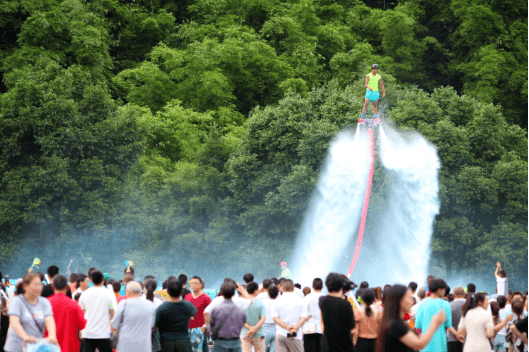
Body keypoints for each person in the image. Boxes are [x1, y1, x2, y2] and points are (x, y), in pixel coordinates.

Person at [375, 284, 447, 352]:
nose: (412, 301)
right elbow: (419, 344)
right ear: (400, 300)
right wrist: (434, 324)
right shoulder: (396, 325)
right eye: (409, 298)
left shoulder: (393, 322)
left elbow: (417, 339)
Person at [4, 273, 58, 352]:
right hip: (17, 347)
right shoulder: (17, 301)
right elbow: (14, 321)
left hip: (34, 347)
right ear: (25, 286)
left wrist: (52, 335)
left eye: (40, 285)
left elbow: (49, 319)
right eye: (36, 285)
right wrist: (26, 337)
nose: (39, 288)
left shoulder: (44, 302)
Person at [415, 279, 463, 352]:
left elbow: (418, 327)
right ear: (439, 289)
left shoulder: (421, 305)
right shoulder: (445, 304)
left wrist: (418, 342)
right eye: (444, 289)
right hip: (440, 346)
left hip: (425, 346)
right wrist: (457, 334)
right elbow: (448, 325)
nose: (444, 291)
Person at [112, 281, 156, 352]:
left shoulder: (123, 304)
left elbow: (115, 325)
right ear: (140, 292)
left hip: (125, 346)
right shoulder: (150, 305)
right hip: (144, 346)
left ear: (128, 292)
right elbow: (153, 325)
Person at [155, 280, 197, 352]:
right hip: (183, 341)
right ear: (181, 292)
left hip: (166, 342)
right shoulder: (188, 306)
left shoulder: (161, 308)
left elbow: (156, 325)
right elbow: (194, 313)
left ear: (167, 291)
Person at [47, 274, 86, 352]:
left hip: (49, 347)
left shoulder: (45, 304)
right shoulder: (74, 305)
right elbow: (83, 325)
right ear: (67, 287)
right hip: (70, 347)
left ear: (52, 287)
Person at [79, 269, 116, 352]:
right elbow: (112, 310)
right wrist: (111, 323)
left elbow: (82, 313)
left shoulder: (84, 294)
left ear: (91, 280)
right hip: (103, 333)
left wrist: (81, 330)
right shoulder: (108, 294)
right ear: (103, 280)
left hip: (88, 332)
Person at [319, 273, 354, 352]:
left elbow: (321, 320)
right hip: (343, 344)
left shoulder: (323, 301)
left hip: (326, 343)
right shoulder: (346, 304)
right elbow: (351, 326)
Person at [209, 281, 246, 352]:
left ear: (221, 293)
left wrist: (214, 337)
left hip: (219, 341)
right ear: (233, 293)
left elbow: (212, 326)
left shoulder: (216, 309)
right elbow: (242, 323)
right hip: (235, 341)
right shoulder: (240, 310)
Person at [272, 279, 307, 352]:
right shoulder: (301, 301)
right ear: (293, 288)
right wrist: (295, 328)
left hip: (281, 334)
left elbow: (275, 318)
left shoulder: (277, 301)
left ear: (282, 288)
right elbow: (303, 317)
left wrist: (287, 327)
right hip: (296, 335)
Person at [185, 276, 211, 352]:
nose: (194, 285)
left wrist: (206, 326)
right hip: (188, 328)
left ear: (201, 285)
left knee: (203, 348)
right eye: (192, 283)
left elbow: (210, 313)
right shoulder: (187, 297)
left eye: (196, 283)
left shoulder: (206, 298)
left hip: (201, 329)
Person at [241, 282, 266, 352]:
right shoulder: (260, 303)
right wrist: (254, 328)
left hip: (245, 334)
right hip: (258, 334)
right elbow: (263, 318)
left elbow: (240, 319)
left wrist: (250, 329)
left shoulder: (242, 303)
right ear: (255, 291)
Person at [303, 278, 324, 352]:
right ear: (322, 287)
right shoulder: (325, 297)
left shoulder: (307, 297)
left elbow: (303, 312)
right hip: (322, 328)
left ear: (312, 286)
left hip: (309, 327)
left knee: (309, 349)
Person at [447, 286, 466, 352]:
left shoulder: (449, 306)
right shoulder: (470, 305)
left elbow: (446, 323)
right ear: (465, 294)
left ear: (453, 295)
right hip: (467, 339)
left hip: (452, 339)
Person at [263, 285, 279, 352]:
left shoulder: (263, 302)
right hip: (277, 328)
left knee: (263, 349)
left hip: (265, 327)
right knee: (274, 350)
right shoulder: (280, 302)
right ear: (278, 293)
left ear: (268, 293)